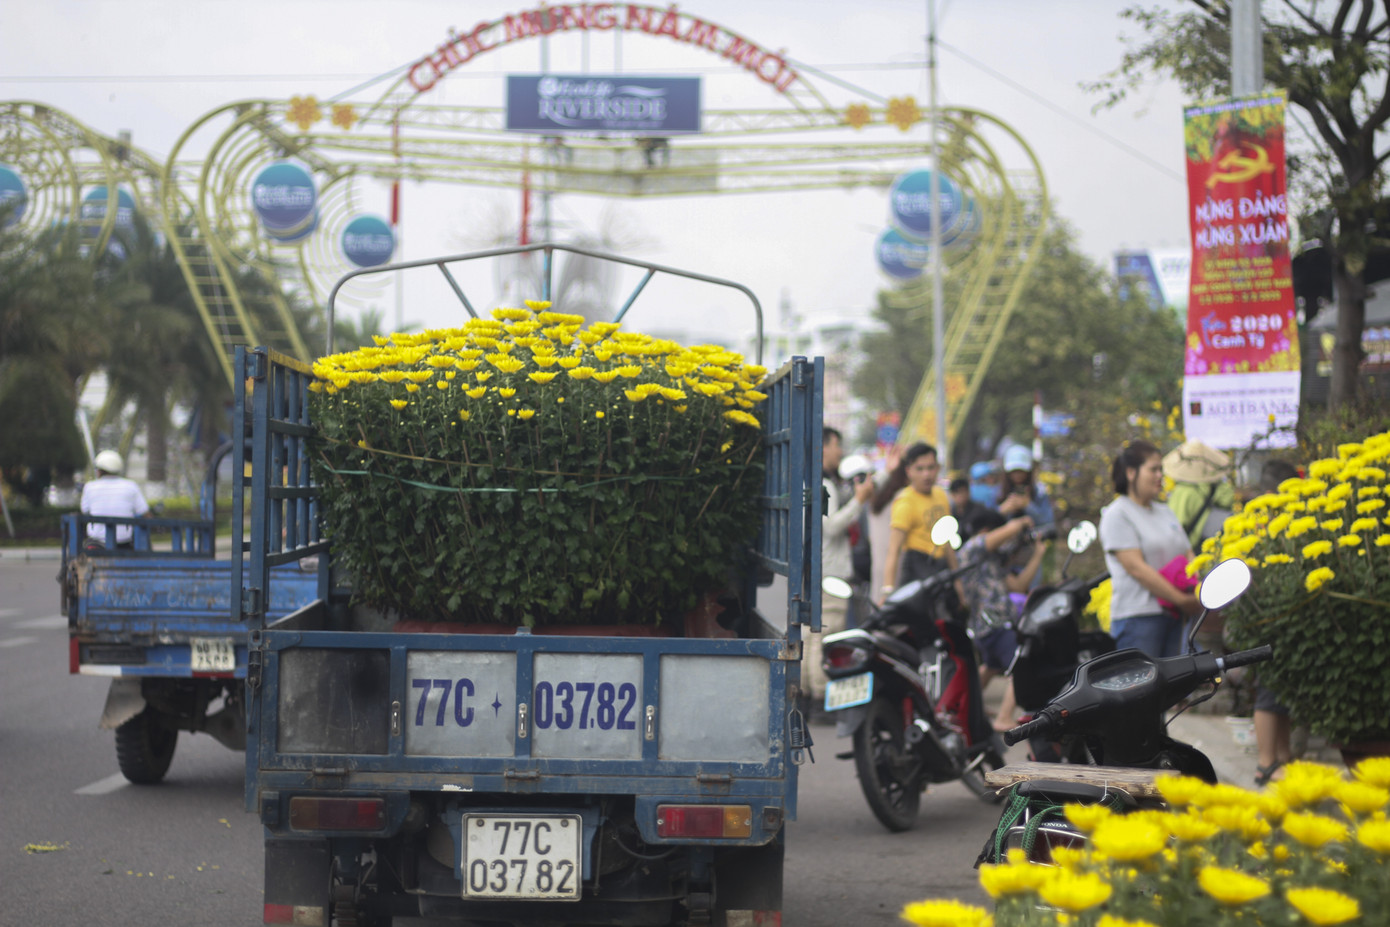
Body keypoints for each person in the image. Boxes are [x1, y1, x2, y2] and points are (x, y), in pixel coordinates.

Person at [1098, 439, 1199, 658]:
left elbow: (1188, 552)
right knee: (1142, 690)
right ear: (1131, 472)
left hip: (1174, 616)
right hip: (1139, 618)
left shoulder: (1165, 511)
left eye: (1161, 470)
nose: (1160, 476)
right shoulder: (1118, 514)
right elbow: (1136, 569)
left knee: (1173, 689)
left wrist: (1196, 588)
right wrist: (1181, 600)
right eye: (1153, 469)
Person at [957, 509, 1050, 731]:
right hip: (992, 623)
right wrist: (1021, 523)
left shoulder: (990, 561)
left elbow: (1018, 585)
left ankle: (968, 707)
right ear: (988, 530)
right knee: (1020, 665)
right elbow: (1003, 533)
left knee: (991, 666)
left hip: (990, 626)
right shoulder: (972, 548)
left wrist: (1037, 555)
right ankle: (1004, 717)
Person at [805, 427, 876, 713]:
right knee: (825, 634)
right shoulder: (825, 484)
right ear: (824, 447)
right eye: (837, 446)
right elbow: (832, 526)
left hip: (818, 568)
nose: (840, 452)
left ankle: (810, 695)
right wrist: (860, 499)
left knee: (813, 636)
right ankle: (821, 698)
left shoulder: (814, 480)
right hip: (830, 571)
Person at [1251, 458, 1300, 785]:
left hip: (1276, 616)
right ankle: (1266, 762)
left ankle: (1282, 756)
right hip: (1265, 617)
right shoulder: (1259, 527)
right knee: (1269, 690)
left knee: (1281, 689)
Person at [882, 442, 958, 597]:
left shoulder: (941, 496)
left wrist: (958, 582)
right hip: (916, 571)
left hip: (940, 568)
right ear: (909, 471)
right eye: (920, 469)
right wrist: (887, 590)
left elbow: (947, 543)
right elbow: (894, 550)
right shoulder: (905, 502)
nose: (926, 475)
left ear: (938, 468)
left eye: (930, 468)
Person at [80, 450, 150, 549]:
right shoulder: (131, 486)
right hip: (124, 543)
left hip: (97, 543)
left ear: (99, 471)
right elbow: (144, 513)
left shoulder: (90, 487)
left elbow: (85, 511)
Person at [866, 444, 908, 606]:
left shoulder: (877, 501)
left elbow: (868, 488)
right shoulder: (904, 499)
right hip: (897, 572)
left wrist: (887, 470)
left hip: (878, 571)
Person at [998, 445, 1054, 529]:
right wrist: (1002, 510)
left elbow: (1049, 522)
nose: (1018, 475)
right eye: (1014, 471)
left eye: (1021, 471)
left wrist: (1028, 505)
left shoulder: (1040, 492)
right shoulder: (997, 492)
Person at [949, 476, 989, 543]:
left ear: (968, 492)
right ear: (952, 495)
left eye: (962, 491)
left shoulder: (979, 510)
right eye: (956, 492)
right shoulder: (950, 513)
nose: (960, 496)